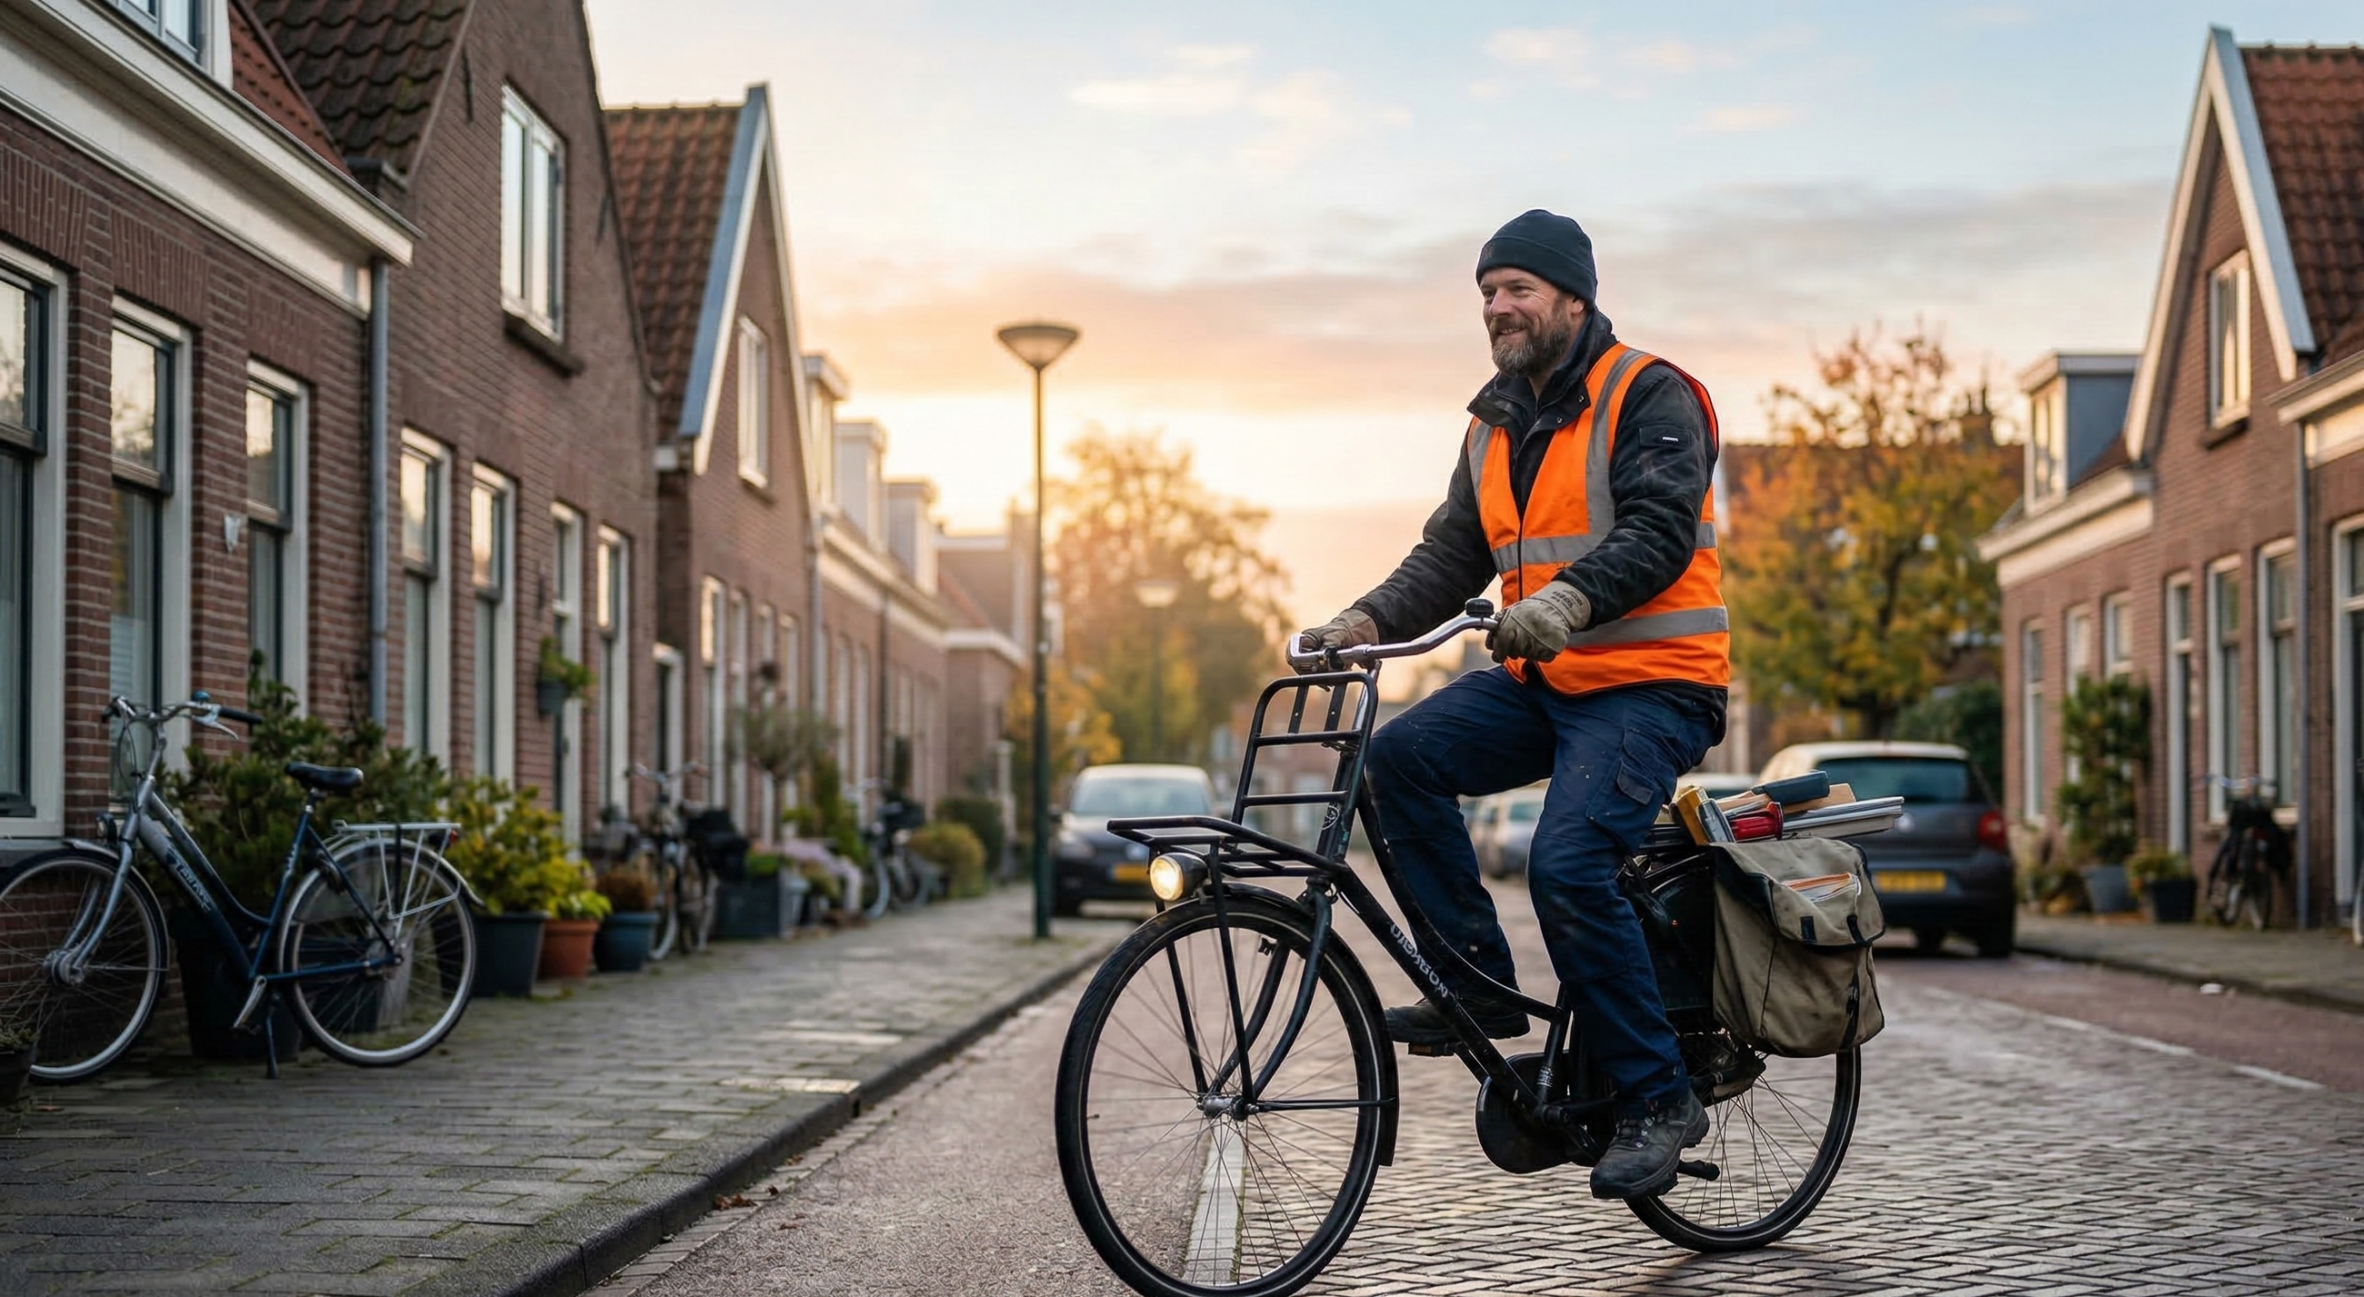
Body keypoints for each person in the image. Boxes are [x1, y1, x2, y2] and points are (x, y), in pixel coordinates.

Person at [1296, 209, 1727, 1201]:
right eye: (1487, 292)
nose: (1498, 307)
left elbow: (1662, 528)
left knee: (1568, 859)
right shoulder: (1495, 423)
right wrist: (1361, 619)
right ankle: (1476, 989)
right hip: (1548, 683)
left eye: (1518, 288)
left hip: (1654, 687)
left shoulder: (1651, 393)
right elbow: (1451, 553)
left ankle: (1659, 1095)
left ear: (1573, 298)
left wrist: (1569, 600)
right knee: (1396, 758)